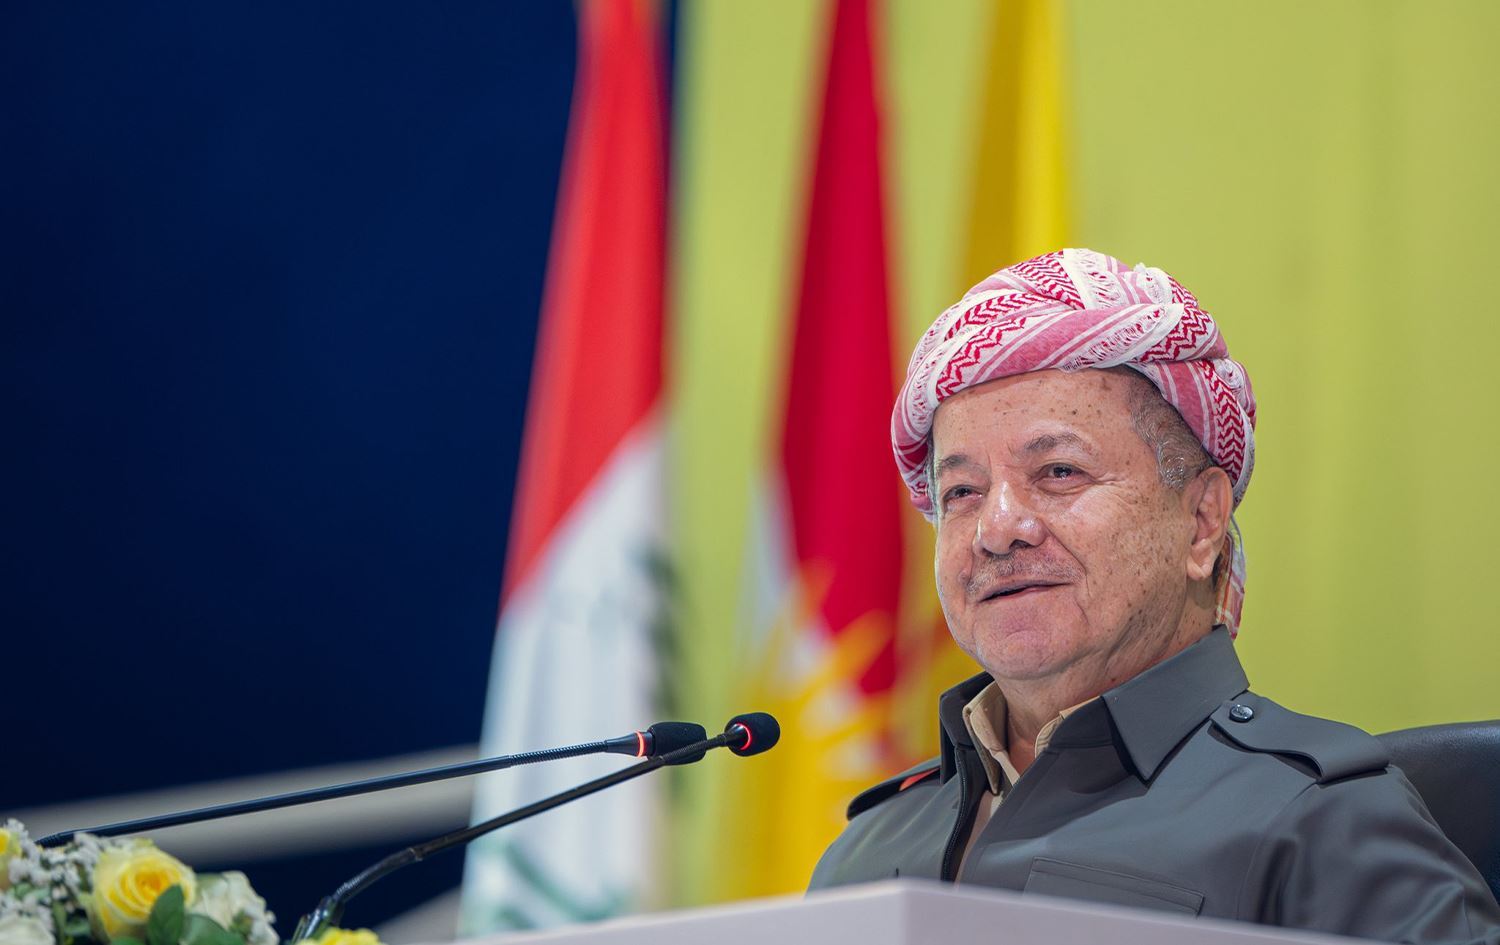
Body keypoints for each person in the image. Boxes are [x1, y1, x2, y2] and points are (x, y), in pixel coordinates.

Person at [808, 248, 1500, 944]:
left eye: (1059, 472)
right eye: (962, 491)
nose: (997, 528)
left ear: (1201, 521)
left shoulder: (1320, 822)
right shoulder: (865, 851)